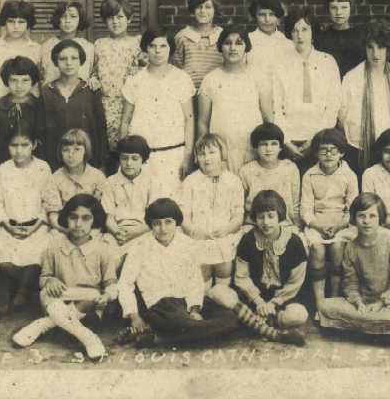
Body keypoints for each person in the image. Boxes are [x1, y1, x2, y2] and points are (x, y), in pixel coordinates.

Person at [116, 198, 240, 347]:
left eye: (168, 222)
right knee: (181, 322)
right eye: (157, 223)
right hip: (161, 307)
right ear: (150, 225)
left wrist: (194, 309)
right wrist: (134, 316)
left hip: (187, 302)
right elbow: (125, 284)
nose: (163, 228)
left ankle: (158, 338)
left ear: (177, 222)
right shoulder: (139, 247)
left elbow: (194, 280)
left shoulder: (187, 244)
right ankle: (180, 332)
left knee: (230, 318)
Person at [12, 194, 117, 361]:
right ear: (65, 218)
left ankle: (43, 325)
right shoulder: (54, 246)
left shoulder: (102, 249)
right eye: (73, 217)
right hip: (59, 299)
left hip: (86, 306)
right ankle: (88, 338)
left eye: (86, 218)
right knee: (45, 293)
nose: (78, 224)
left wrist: (107, 295)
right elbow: (44, 277)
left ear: (94, 220)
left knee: (93, 296)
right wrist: (50, 280)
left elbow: (111, 283)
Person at [211, 190, 307, 346]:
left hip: (281, 303)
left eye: (271, 216)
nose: (266, 222)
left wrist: (273, 304)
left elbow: (295, 282)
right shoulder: (248, 240)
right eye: (261, 217)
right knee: (217, 292)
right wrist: (259, 302)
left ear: (279, 216)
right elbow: (242, 277)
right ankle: (271, 330)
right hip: (251, 301)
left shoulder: (294, 242)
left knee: (299, 314)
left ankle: (254, 322)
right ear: (255, 218)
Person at [317, 193, 390, 350]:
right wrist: (358, 302)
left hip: (388, 303)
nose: (366, 221)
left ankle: (363, 328)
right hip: (362, 304)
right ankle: (378, 330)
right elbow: (350, 283)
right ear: (354, 219)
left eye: (372, 216)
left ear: (380, 219)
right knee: (325, 306)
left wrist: (381, 303)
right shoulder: (351, 247)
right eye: (361, 216)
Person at [120, 28, 195, 197]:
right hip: (143, 157)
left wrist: (187, 156)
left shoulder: (181, 79)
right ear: (145, 48)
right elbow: (125, 120)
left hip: (173, 155)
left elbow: (189, 119)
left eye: (163, 46)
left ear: (171, 49)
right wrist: (125, 154)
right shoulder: (135, 81)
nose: (158, 51)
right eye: (153, 46)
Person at [0, 122, 52, 314]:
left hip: (37, 225)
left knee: (38, 250)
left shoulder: (43, 168)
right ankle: (6, 288)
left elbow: (47, 202)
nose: (19, 151)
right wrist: (8, 225)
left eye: (24, 145)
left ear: (34, 145)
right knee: (0, 251)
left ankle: (23, 290)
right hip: (10, 226)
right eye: (14, 146)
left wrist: (36, 225)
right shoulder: (3, 169)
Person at [197, 25, 273, 174]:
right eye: (227, 43)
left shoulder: (258, 77)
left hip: (252, 150)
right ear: (220, 47)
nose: (233, 48)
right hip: (222, 152)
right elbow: (202, 122)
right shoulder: (210, 80)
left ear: (246, 47)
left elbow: (268, 118)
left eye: (239, 43)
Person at [274, 6, 341, 176]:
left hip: (320, 141)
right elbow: (276, 105)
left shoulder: (327, 62)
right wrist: (286, 142)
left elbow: (333, 106)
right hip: (289, 140)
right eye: (295, 30)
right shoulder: (280, 64)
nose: (299, 35)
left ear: (313, 32)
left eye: (304, 29)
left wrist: (315, 140)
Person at [301, 128, 359, 309]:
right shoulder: (309, 175)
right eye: (323, 150)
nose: (328, 155)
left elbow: (353, 208)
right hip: (317, 224)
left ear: (341, 152)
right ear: (316, 153)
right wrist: (318, 226)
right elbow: (305, 209)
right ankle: (320, 303)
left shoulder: (349, 175)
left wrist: (340, 225)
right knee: (317, 250)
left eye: (333, 150)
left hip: (342, 225)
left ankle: (333, 300)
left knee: (337, 248)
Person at [338, 19, 390, 176]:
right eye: (371, 48)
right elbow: (341, 115)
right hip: (359, 148)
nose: (376, 54)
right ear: (365, 48)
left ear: (388, 49)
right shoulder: (352, 77)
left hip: (389, 150)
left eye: (381, 48)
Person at [179, 134, 246, 287]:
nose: (207, 158)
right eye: (202, 154)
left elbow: (238, 215)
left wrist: (227, 229)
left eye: (212, 152)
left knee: (224, 262)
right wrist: (195, 231)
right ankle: (204, 297)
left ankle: (222, 293)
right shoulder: (191, 181)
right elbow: (184, 216)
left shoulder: (233, 181)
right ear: (196, 158)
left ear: (222, 154)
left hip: (224, 234)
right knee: (201, 268)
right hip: (198, 235)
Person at [90, 0, 144, 173]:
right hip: (106, 104)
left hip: (128, 104)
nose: (115, 22)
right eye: (111, 18)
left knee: (128, 147)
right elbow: (94, 71)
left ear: (129, 19)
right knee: (107, 150)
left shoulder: (137, 43)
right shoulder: (99, 44)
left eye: (120, 17)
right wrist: (93, 78)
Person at [39, 39, 108, 171]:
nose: (69, 63)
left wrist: (101, 164)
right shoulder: (46, 92)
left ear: (81, 61)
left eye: (74, 58)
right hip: (54, 163)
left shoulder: (91, 90)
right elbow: (41, 133)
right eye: (63, 59)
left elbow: (100, 129)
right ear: (56, 62)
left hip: (87, 163)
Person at [0, 0, 42, 135]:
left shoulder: (37, 49)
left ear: (28, 23)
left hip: (28, 113)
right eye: (11, 21)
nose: (16, 26)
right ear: (4, 22)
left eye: (21, 22)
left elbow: (37, 87)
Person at [99, 135, 155, 263]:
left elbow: (154, 216)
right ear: (119, 159)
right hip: (116, 231)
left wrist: (134, 233)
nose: (129, 163)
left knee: (143, 253)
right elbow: (107, 215)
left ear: (143, 160)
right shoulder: (110, 182)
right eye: (124, 158)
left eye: (135, 158)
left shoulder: (152, 181)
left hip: (142, 230)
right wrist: (117, 232)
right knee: (107, 250)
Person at [42, 129, 106, 235]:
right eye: (66, 150)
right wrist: (68, 232)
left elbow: (101, 214)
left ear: (85, 151)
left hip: (91, 230)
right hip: (64, 229)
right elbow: (53, 217)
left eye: (77, 149)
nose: (71, 155)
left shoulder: (97, 177)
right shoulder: (55, 178)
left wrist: (89, 233)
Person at [0, 56, 43, 172]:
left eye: (25, 80)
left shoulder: (41, 109)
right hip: (5, 171)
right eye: (14, 80)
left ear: (33, 81)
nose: (19, 86)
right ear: (7, 81)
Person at [238, 122, 301, 228]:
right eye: (263, 144)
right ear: (255, 147)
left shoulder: (290, 168)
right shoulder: (247, 171)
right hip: (254, 226)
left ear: (281, 147)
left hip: (284, 225)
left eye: (274, 144)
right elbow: (241, 206)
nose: (268, 149)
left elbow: (295, 203)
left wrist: (297, 226)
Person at [172, 0, 224, 90]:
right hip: (189, 92)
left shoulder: (222, 35)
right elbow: (176, 68)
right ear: (193, 10)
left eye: (208, 7)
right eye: (199, 7)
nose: (203, 11)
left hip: (216, 91)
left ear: (215, 10)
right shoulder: (182, 36)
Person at [314, 0, 365, 77]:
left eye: (344, 7)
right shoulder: (321, 38)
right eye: (334, 8)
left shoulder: (360, 37)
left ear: (351, 9)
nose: (338, 12)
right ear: (328, 9)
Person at [245, 0, 294, 87]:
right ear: (255, 16)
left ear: (278, 17)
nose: (267, 19)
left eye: (272, 14)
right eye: (262, 14)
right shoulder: (247, 41)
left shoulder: (287, 44)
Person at [40, 1, 94, 85]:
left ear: (80, 19)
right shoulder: (47, 46)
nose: (67, 21)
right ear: (58, 19)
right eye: (63, 16)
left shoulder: (88, 47)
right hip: (52, 94)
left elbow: (91, 73)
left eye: (73, 17)